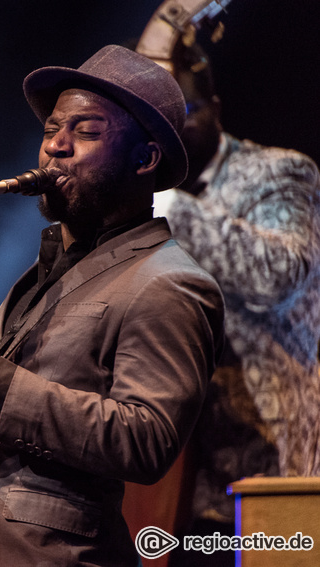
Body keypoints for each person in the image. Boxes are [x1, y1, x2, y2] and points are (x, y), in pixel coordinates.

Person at [0, 44, 225, 566]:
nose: (56, 148)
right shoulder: (38, 275)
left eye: (85, 131)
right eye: (51, 130)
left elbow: (148, 439)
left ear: (145, 158)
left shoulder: (171, 282)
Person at [146, 41, 320, 566]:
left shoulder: (281, 172)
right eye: (158, 121)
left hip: (275, 468)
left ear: (216, 110)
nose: (172, 133)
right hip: (182, 484)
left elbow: (280, 275)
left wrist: (170, 203)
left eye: (187, 115)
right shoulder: (133, 199)